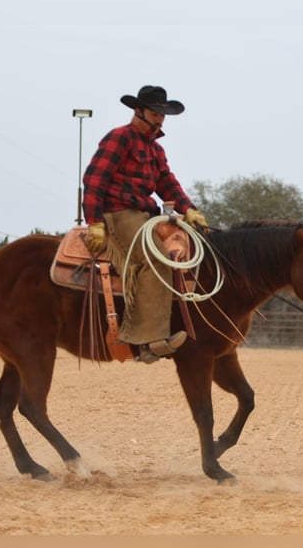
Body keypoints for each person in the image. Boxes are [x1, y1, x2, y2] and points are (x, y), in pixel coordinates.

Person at [82, 85, 208, 364]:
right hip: (118, 215)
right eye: (155, 112)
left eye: (163, 114)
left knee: (185, 250)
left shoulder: (155, 150)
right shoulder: (119, 138)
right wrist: (95, 222)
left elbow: (167, 183)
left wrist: (190, 210)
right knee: (156, 260)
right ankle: (146, 341)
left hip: (145, 216)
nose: (160, 119)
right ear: (138, 111)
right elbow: (94, 179)